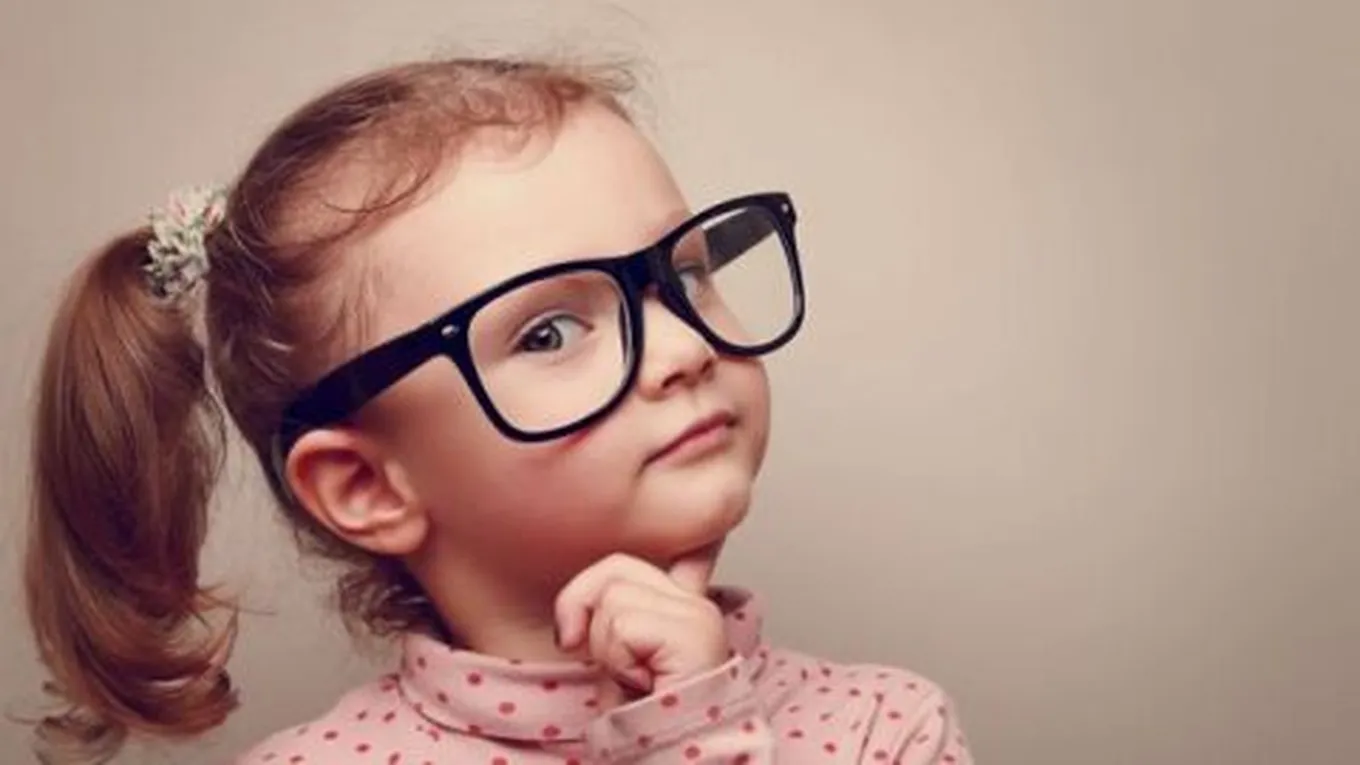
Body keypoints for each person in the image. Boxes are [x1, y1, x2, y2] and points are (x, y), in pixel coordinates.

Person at [24, 56, 973, 764]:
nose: (686, 348)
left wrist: (697, 716)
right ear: (365, 485)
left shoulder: (885, 728)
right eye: (549, 332)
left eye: (685, 276)